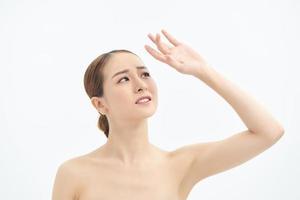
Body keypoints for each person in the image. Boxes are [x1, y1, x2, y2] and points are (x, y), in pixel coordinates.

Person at [52, 29, 285, 200]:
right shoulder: (74, 174)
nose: (140, 84)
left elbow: (269, 132)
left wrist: (204, 71)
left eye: (144, 74)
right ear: (100, 105)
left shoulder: (180, 165)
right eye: (123, 79)